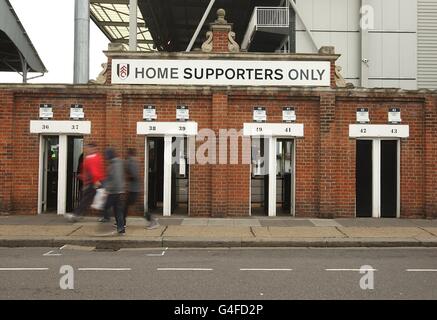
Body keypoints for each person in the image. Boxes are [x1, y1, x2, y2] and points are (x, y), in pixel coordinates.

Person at [65, 143, 105, 222]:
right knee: (94, 200)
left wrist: (94, 181)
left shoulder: (91, 158)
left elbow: (94, 171)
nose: (87, 150)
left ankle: (76, 215)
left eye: (88, 148)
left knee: (86, 200)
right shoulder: (96, 157)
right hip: (95, 182)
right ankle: (105, 216)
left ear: (92, 149)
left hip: (94, 183)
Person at [102, 148, 126, 235]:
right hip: (120, 191)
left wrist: (107, 189)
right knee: (118, 210)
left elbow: (113, 179)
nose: (106, 157)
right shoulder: (119, 163)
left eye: (106, 155)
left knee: (105, 206)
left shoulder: (113, 165)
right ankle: (121, 228)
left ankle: (105, 221)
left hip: (114, 191)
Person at [122, 148, 140, 228]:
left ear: (129, 154)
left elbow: (135, 176)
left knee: (127, 206)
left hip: (134, 189)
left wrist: (127, 176)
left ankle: (122, 222)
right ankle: (122, 222)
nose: (125, 154)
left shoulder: (131, 162)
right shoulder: (133, 161)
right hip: (134, 188)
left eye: (126, 153)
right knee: (127, 205)